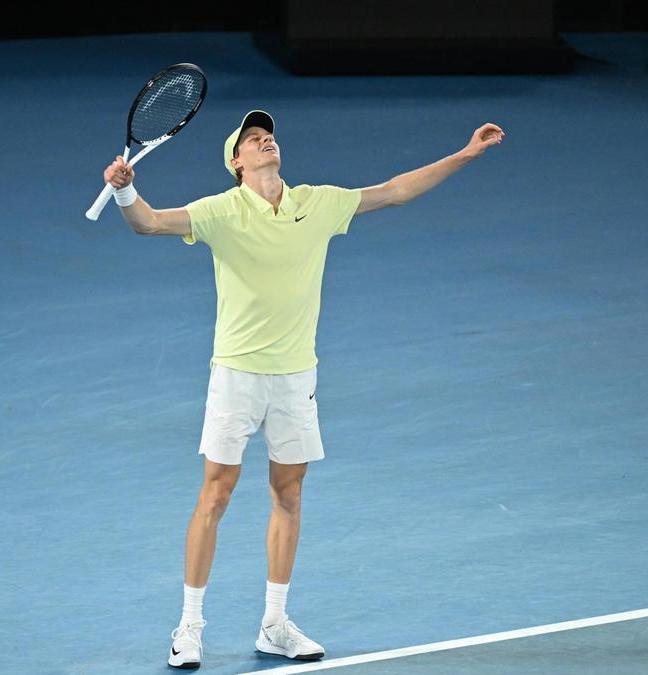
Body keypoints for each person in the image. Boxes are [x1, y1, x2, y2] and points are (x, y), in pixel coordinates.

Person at [101, 110, 504, 669]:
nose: (264, 140)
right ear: (236, 162)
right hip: (236, 375)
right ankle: (189, 626)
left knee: (288, 495)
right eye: (250, 140)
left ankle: (274, 624)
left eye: (267, 135)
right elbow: (147, 223)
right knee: (215, 495)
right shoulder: (218, 211)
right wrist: (126, 192)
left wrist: (464, 155)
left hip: (296, 378)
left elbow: (393, 192)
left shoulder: (317, 202)